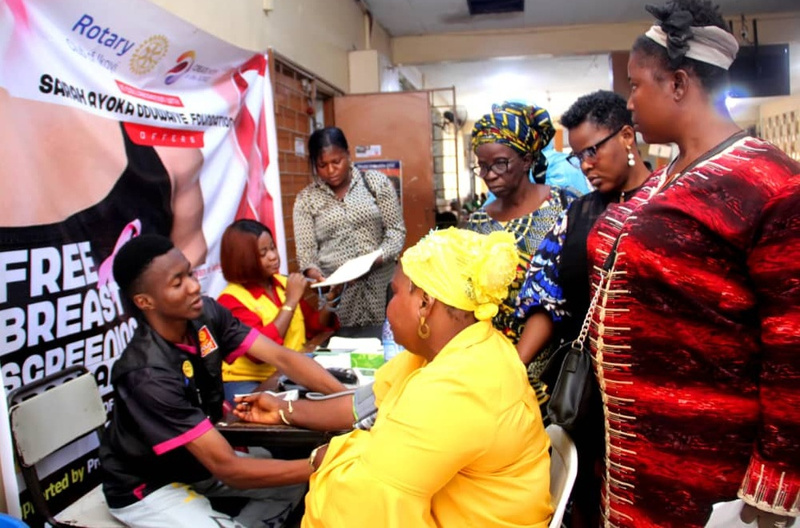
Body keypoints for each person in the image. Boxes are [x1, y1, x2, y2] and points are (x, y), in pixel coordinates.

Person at [584, 1, 800, 526]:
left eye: (636, 85)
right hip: (632, 456)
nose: (629, 103)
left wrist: (776, 477)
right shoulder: (665, 176)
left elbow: (792, 342)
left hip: (706, 469)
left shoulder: (771, 185)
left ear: (679, 83)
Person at [235, 228, 553, 528]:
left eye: (395, 292)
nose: (389, 307)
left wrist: (327, 456)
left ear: (424, 304)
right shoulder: (465, 348)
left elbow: (365, 501)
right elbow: (365, 405)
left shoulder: (457, 387)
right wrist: (282, 410)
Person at [99, 234, 347, 528]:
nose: (194, 286)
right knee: (305, 471)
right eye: (177, 283)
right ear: (144, 301)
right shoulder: (145, 373)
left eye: (190, 273)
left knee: (292, 485)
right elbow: (228, 468)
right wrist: (324, 463)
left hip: (198, 466)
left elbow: (283, 358)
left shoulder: (205, 313)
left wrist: (352, 407)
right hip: (149, 486)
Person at [515, 90, 652, 528]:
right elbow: (543, 293)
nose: (586, 165)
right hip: (590, 394)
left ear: (627, 136)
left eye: (593, 150)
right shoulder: (576, 215)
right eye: (578, 157)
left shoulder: (671, 203)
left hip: (654, 396)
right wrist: (513, 365)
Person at [468, 101, 577, 402]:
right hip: (494, 360)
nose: (489, 174)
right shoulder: (479, 221)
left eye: (500, 163)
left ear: (527, 159)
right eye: (483, 165)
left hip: (553, 361)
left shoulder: (565, 206)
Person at [293, 127, 406, 327]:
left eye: (337, 162)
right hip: (341, 299)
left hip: (382, 287)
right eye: (322, 165)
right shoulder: (306, 200)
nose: (331, 170)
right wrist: (316, 276)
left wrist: (375, 260)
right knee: (345, 350)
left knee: (390, 343)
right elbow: (306, 255)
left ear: (348, 153)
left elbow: (396, 231)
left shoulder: (375, 184)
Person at [217, 219, 341, 403]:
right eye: (263, 253)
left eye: (273, 248)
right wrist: (290, 301)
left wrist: (331, 298)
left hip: (289, 371)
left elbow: (313, 326)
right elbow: (260, 352)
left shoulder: (282, 284)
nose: (273, 257)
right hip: (250, 381)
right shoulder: (230, 300)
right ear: (244, 258)